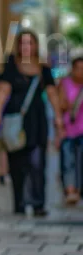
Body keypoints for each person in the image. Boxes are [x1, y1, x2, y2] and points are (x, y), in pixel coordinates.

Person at [0, 30, 64, 216]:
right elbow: (3, 88)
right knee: (17, 163)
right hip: (15, 118)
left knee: (38, 162)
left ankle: (38, 203)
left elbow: (52, 92)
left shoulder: (42, 66)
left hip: (36, 119)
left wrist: (57, 116)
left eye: (29, 43)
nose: (26, 46)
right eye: (22, 43)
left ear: (35, 45)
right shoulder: (11, 63)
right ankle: (19, 202)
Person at [56, 56, 83, 205]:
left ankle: (79, 190)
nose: (80, 71)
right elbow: (61, 106)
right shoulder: (65, 84)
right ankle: (71, 191)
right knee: (68, 161)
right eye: (77, 68)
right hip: (68, 129)